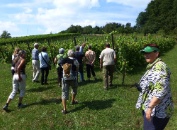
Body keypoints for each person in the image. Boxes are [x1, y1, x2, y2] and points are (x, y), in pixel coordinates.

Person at [135, 44, 173, 130]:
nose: (146, 55)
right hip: (154, 109)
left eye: (148, 52)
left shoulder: (160, 68)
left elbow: (161, 91)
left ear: (157, 53)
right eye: (144, 53)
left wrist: (150, 108)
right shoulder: (153, 66)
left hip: (157, 111)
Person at [60, 49, 79, 114]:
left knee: (64, 93)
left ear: (68, 54)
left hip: (65, 79)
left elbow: (61, 66)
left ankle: (65, 109)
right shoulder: (75, 60)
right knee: (74, 89)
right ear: (73, 54)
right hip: (73, 78)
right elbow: (77, 69)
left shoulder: (64, 60)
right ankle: (73, 100)